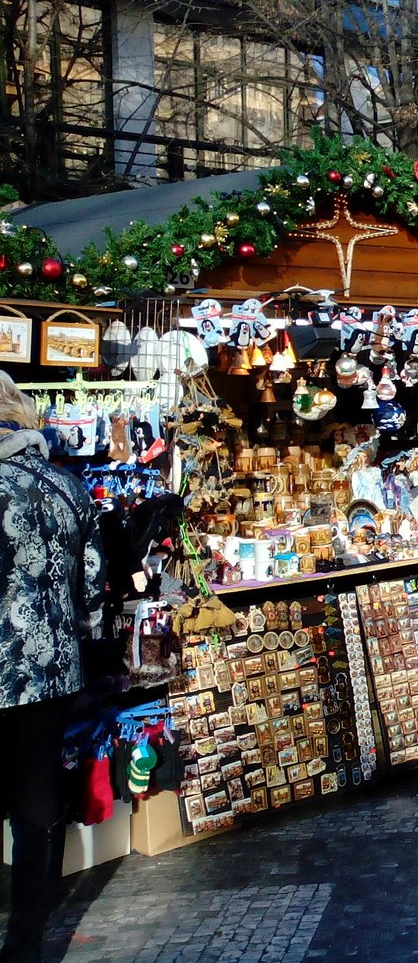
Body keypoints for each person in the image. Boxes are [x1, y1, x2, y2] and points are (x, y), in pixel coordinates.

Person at [1, 370, 106, 962]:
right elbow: (91, 588)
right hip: (50, 673)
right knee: (37, 808)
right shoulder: (66, 486)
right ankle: (25, 945)